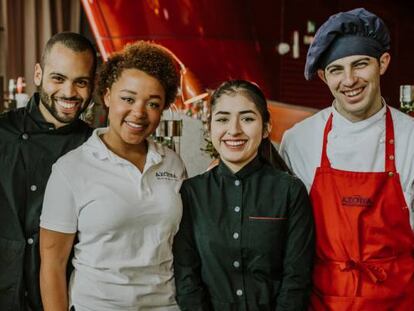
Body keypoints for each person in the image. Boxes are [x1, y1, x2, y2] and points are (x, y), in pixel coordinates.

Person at [279, 8, 414, 311]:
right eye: (337, 69)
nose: (349, 80)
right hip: (323, 302)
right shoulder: (299, 140)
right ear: (324, 76)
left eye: (360, 64)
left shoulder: (411, 138)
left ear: (383, 63)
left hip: (399, 300)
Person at [39, 41, 186, 311]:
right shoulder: (70, 169)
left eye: (153, 103)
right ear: (107, 96)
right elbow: (52, 266)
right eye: (127, 99)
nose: (139, 113)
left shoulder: (173, 164)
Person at [173, 80, 314, 310]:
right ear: (210, 128)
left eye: (247, 118)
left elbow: (297, 278)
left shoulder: (290, 191)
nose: (234, 129)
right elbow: (186, 277)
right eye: (222, 119)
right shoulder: (191, 193)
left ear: (266, 127)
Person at [0, 32, 96, 310]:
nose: (69, 93)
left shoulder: (96, 147)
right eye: (58, 78)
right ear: (39, 74)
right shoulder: (3, 133)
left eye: (81, 82)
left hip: (65, 294)